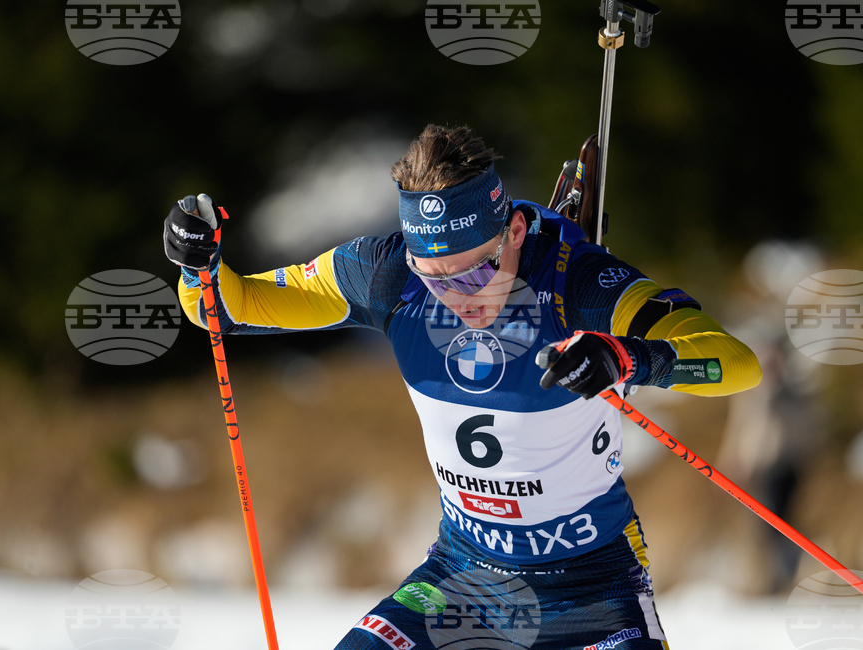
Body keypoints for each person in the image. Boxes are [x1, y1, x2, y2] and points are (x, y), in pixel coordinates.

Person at [164, 124, 762, 649]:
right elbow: (225, 308)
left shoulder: (577, 280)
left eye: (477, 270)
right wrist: (198, 267)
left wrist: (626, 357)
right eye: (435, 278)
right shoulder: (386, 273)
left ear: (516, 230)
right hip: (461, 578)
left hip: (592, 588)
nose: (460, 297)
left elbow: (735, 362)